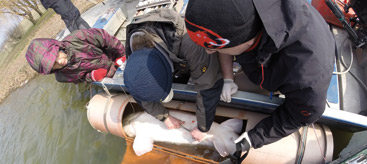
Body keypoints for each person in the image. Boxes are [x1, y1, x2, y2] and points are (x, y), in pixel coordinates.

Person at [184, 0, 335, 157]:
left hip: (282, 72)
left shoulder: (308, 76)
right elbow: (224, 39)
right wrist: (228, 78)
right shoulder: (236, 20)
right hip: (255, 59)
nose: (208, 53)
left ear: (246, 40)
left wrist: (253, 138)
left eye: (212, 47)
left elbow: (299, 115)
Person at [122, 8, 223, 140]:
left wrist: (203, 127)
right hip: (172, 59)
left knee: (210, 82)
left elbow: (208, 85)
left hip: (187, 54)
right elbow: (139, 93)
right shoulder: (133, 53)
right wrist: (164, 117)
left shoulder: (191, 44)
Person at [25, 28, 125, 83]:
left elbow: (105, 38)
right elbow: (81, 78)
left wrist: (122, 54)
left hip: (115, 57)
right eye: (53, 65)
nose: (59, 62)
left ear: (58, 48)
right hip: (107, 74)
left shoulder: (78, 37)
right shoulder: (62, 77)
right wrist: (92, 76)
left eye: (56, 56)